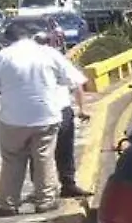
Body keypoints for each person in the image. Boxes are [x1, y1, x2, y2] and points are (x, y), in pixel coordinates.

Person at [0, 21, 87, 216]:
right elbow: (73, 80)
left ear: (7, 39)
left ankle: (8, 204)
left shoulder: (1, 57)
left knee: (12, 160)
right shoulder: (48, 53)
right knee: (44, 157)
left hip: (12, 118)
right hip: (46, 115)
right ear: (30, 36)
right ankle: (45, 201)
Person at [36, 27, 91, 198]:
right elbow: (77, 84)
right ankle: (67, 184)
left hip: (37, 113)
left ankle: (41, 189)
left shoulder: (22, 58)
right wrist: (82, 109)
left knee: (38, 153)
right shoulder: (55, 56)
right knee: (63, 150)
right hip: (60, 110)